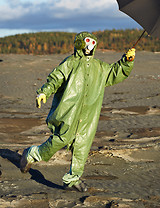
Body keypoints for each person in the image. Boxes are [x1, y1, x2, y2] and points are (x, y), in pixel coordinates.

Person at [20, 31, 135, 192]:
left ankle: (72, 179)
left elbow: (115, 73)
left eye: (93, 43)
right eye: (88, 41)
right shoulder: (70, 63)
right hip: (69, 112)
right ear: (80, 43)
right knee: (60, 139)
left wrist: (127, 61)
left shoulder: (99, 67)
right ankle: (33, 154)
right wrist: (43, 92)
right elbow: (55, 78)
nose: (90, 45)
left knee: (83, 145)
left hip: (89, 115)